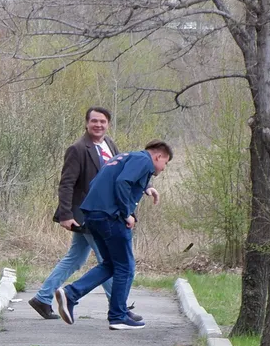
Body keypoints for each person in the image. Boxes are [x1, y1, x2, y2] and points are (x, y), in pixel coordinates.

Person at [27, 107, 142, 322]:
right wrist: (65, 214)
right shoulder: (78, 149)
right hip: (87, 215)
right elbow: (67, 183)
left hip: (102, 213)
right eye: (94, 121)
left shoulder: (110, 145)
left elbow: (121, 175)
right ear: (86, 124)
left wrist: (145, 187)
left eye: (103, 122)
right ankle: (119, 307)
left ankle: (42, 297)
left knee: (75, 259)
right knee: (110, 260)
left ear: (108, 124)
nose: (98, 125)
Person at [53, 141, 172, 330]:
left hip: (92, 215)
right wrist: (126, 212)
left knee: (111, 264)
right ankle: (118, 316)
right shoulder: (144, 160)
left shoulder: (122, 157)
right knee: (126, 267)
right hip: (110, 217)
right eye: (165, 163)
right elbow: (123, 182)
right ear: (158, 156)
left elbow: (96, 182)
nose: (163, 169)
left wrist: (143, 188)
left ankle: (71, 294)